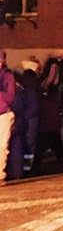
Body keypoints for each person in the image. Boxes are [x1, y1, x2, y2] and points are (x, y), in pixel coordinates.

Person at [0, 51, 16, 184]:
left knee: (1, 145)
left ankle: (0, 174)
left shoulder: (7, 76)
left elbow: (10, 97)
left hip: (3, 114)